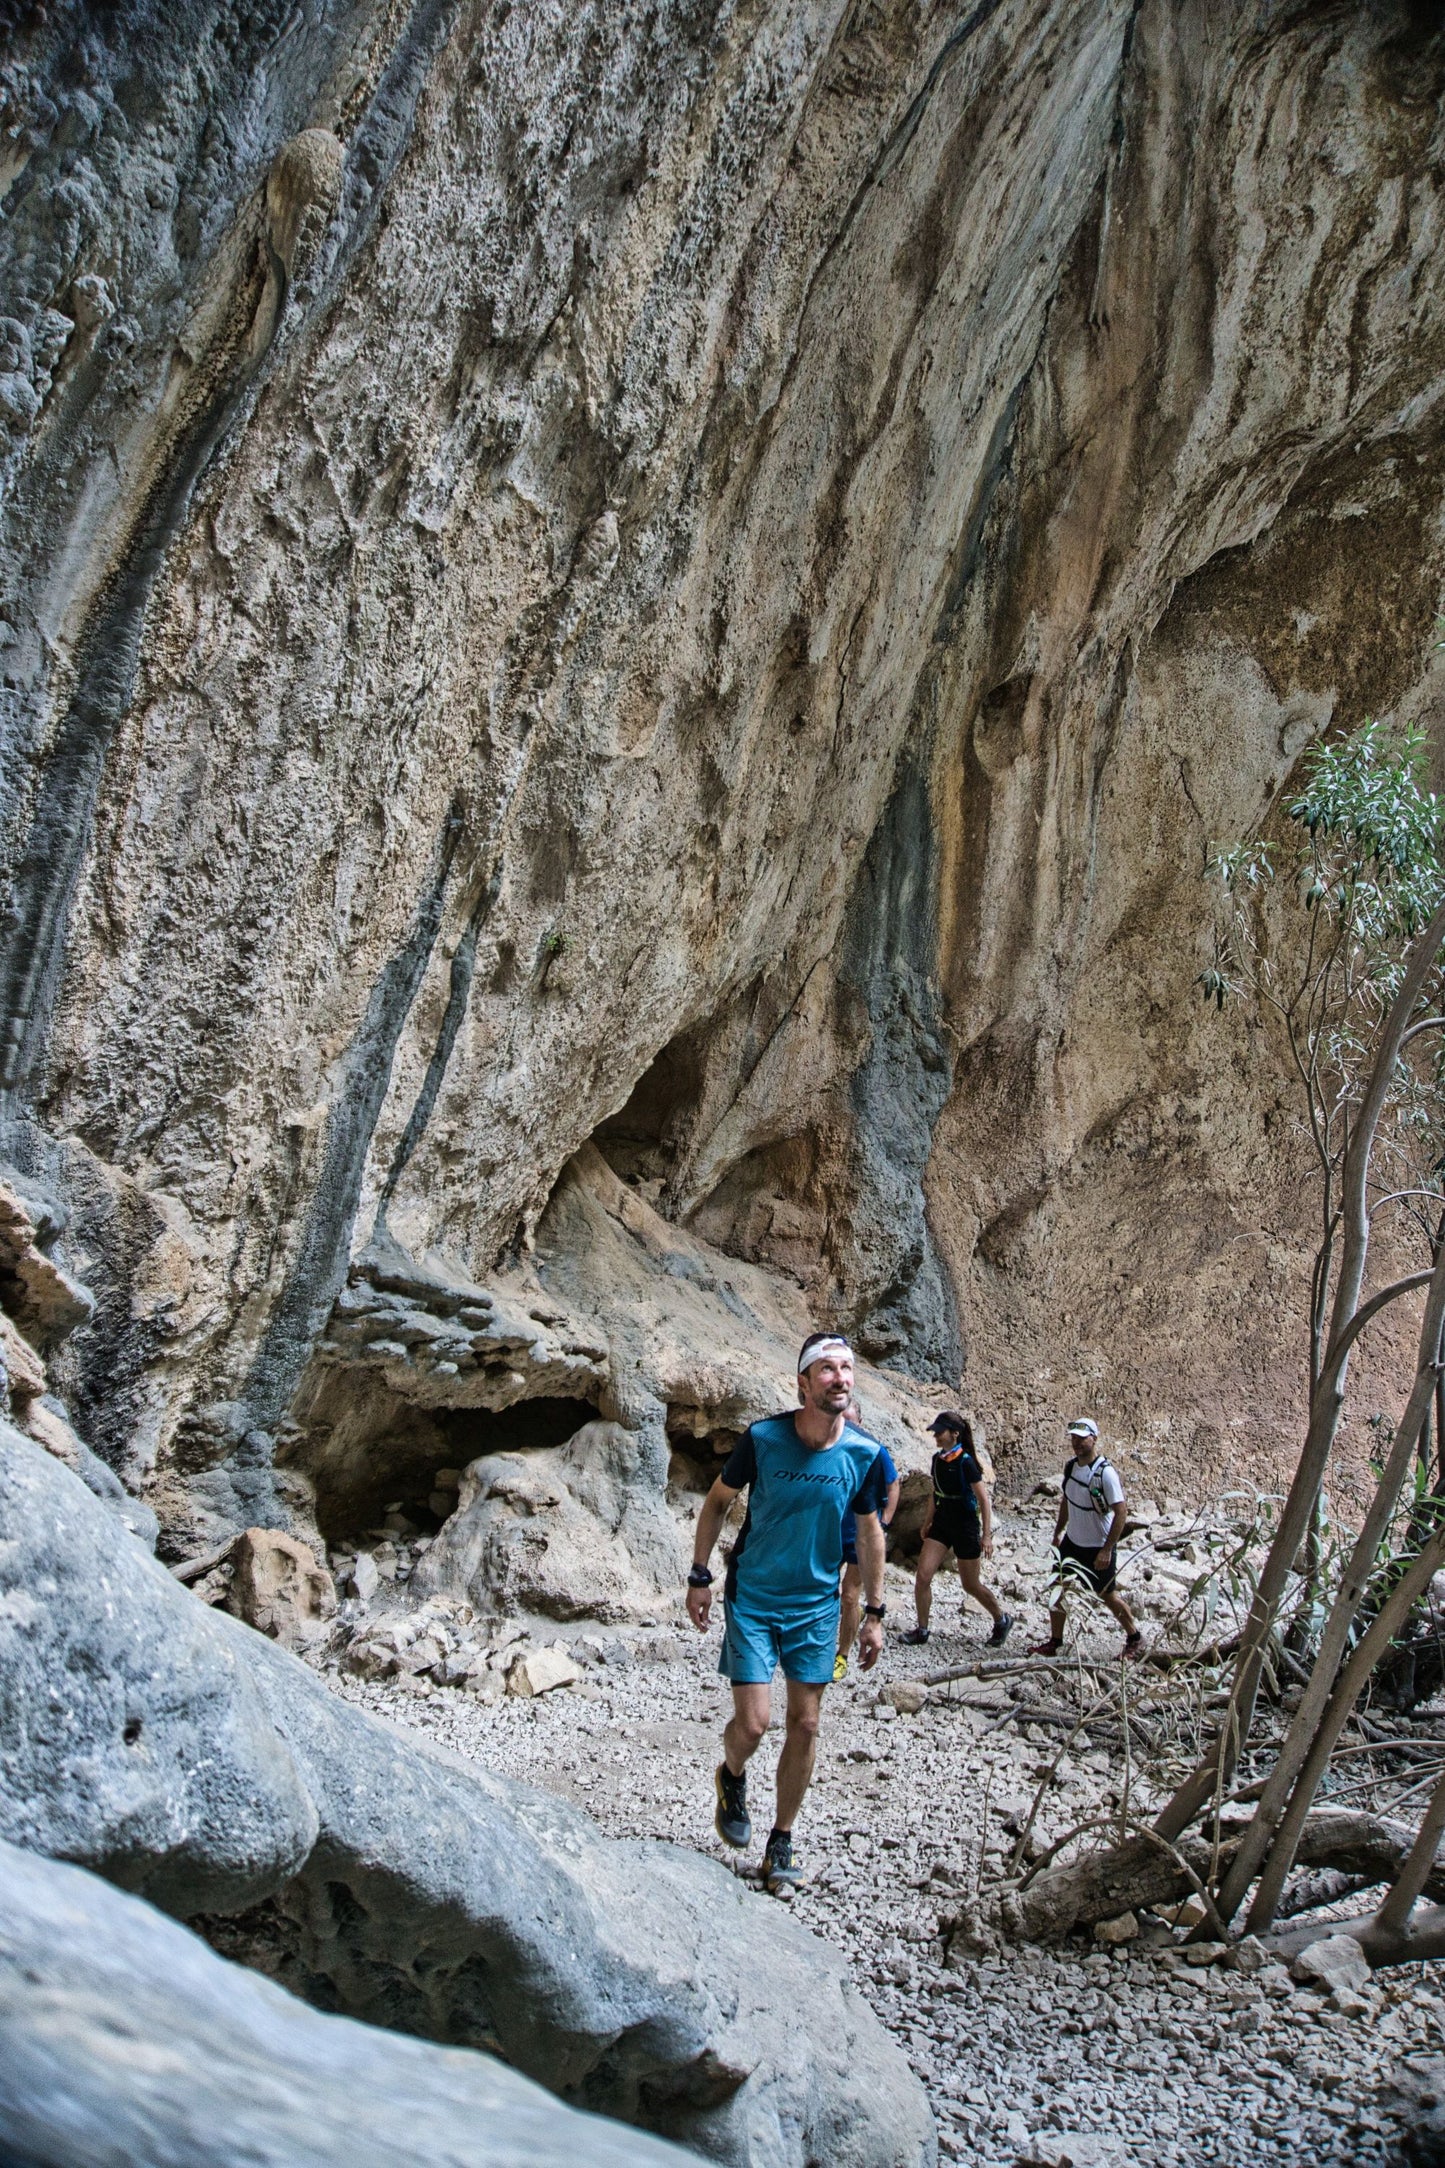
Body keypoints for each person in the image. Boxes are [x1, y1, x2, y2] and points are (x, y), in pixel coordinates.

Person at [685, 1333, 887, 1894]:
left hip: (817, 1606)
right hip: (753, 1597)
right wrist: (700, 1575)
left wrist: (874, 1612)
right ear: (803, 1382)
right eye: (827, 1369)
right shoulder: (764, 1438)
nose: (840, 1378)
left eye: (846, 1368)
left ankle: (782, 1838)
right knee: (753, 1725)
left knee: (807, 1722)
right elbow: (718, 1501)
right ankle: (732, 1775)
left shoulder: (865, 1453)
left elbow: (870, 1533)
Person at [1029, 1416, 1144, 1660]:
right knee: (1057, 1586)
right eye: (1074, 1438)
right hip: (1072, 1541)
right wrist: (1058, 1531)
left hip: (1096, 1546)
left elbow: (1121, 1512)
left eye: (1082, 1438)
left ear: (1094, 1439)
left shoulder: (1106, 1474)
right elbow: (1067, 1500)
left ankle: (1135, 1637)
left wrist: (1107, 1549)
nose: (1077, 1442)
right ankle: (1055, 1641)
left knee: (1107, 1595)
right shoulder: (1071, 1467)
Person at [898, 1411, 1011, 1648]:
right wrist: (927, 1522)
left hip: (965, 1525)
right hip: (942, 1523)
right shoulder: (937, 1460)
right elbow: (936, 1492)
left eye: (940, 1432)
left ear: (955, 1434)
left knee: (970, 1584)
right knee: (923, 1576)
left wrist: (986, 1536)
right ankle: (922, 1629)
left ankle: (1001, 1619)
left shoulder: (966, 1462)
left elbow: (983, 1500)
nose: (936, 1436)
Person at [834, 1406, 899, 1680]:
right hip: (830, 1532)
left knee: (850, 1595)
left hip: (859, 1535)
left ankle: (842, 1655)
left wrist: (883, 1523)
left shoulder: (873, 1450)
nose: (847, 1426)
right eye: (842, 1420)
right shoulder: (830, 1447)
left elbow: (893, 1485)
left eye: (851, 1421)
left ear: (860, 1421)